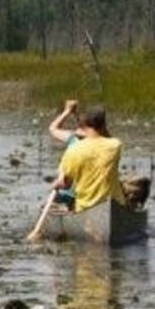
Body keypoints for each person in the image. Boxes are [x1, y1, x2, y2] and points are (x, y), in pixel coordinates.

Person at [28, 100, 123, 242]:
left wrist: (57, 184)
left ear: (83, 126)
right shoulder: (115, 145)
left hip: (85, 206)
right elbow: (107, 136)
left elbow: (65, 184)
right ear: (103, 125)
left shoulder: (74, 150)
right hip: (114, 203)